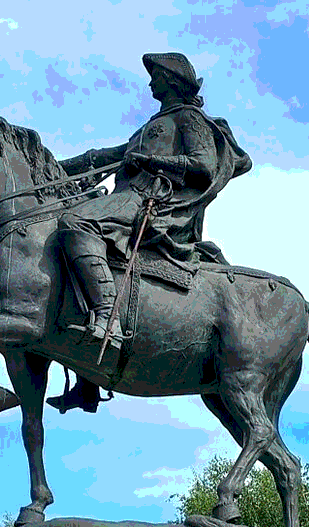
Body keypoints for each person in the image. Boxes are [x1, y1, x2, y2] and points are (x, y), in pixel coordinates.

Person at [56, 52, 247, 350]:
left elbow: (204, 164)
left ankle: (107, 317)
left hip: (149, 199)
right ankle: (86, 375)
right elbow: (106, 156)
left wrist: (148, 160)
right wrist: (52, 166)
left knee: (76, 221)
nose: (150, 83)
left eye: (155, 76)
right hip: (126, 197)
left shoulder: (189, 118)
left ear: (170, 81)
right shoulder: (153, 125)